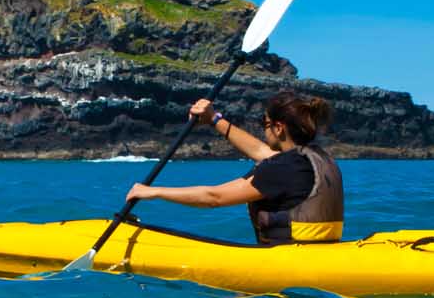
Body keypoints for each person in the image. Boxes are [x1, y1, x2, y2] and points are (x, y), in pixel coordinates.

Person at [125, 90, 345, 243]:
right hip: (317, 251)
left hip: (288, 258)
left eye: (264, 124)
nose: (263, 131)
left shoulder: (283, 168)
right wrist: (214, 119)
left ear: (279, 128)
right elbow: (261, 152)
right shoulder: (316, 158)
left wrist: (153, 191)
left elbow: (215, 197)